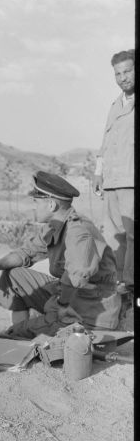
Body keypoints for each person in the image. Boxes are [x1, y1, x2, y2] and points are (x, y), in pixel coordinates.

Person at [0, 171, 121, 339]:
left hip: (86, 312)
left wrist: (61, 306)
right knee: (13, 274)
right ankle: (23, 332)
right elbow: (26, 252)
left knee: (14, 334)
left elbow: (75, 277)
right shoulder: (55, 226)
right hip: (68, 297)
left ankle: (20, 334)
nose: (34, 206)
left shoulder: (77, 231)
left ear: (51, 205)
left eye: (36, 202)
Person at [93, 49, 134, 301]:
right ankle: (119, 285)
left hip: (131, 180)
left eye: (127, 71)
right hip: (112, 182)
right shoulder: (115, 105)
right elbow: (106, 141)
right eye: (118, 73)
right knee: (114, 236)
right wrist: (98, 173)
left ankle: (130, 285)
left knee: (132, 235)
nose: (122, 78)